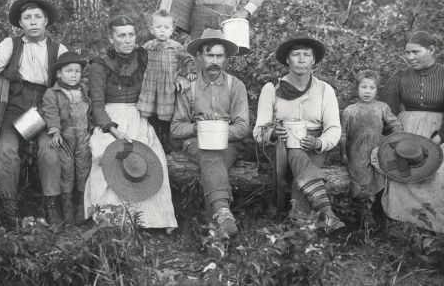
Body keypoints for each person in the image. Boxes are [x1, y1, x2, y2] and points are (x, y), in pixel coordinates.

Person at [0, 0, 68, 224]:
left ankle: (52, 207)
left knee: (50, 150)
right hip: (15, 105)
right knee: (6, 149)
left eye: (38, 17)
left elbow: (67, 81)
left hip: (46, 107)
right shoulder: (10, 44)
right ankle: (6, 208)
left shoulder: (59, 49)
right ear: (21, 23)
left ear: (46, 21)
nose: (33, 22)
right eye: (28, 18)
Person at [83, 15, 178, 232]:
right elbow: (97, 105)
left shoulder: (143, 57)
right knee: (106, 156)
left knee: (153, 158)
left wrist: (182, 76)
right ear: (111, 38)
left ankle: (154, 219)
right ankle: (113, 220)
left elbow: (169, 67)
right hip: (110, 119)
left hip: (138, 114)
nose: (128, 40)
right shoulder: (100, 64)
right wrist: (114, 131)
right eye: (121, 35)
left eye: (131, 34)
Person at [379, 31, 444, 234]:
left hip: (442, 134)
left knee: (442, 173)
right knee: (400, 170)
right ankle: (405, 225)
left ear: (431, 50)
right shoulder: (400, 77)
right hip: (407, 132)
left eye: (416, 52)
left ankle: (443, 229)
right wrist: (395, 135)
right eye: (407, 52)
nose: (410, 57)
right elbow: (387, 111)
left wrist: (437, 139)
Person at [253, 34, 345, 233]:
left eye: (306, 55)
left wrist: (319, 143)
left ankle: (298, 226)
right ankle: (327, 214)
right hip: (281, 149)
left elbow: (334, 128)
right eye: (296, 54)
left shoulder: (324, 90)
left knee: (299, 169)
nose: (301, 59)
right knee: (294, 151)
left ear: (314, 60)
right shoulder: (272, 89)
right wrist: (273, 133)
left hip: (314, 147)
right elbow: (259, 131)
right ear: (287, 59)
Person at [171, 28, 249, 238]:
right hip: (196, 142)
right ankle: (223, 216)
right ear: (199, 56)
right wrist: (199, 129)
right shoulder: (189, 86)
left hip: (229, 143)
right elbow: (176, 127)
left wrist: (217, 130)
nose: (215, 61)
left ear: (226, 58)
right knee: (209, 154)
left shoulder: (236, 85)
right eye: (210, 55)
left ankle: (214, 236)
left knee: (212, 159)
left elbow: (242, 127)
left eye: (219, 56)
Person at [339, 70, 403, 226]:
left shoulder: (381, 107)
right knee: (361, 179)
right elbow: (343, 135)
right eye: (364, 87)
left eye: (372, 88)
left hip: (378, 150)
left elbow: (395, 124)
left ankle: (380, 213)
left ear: (377, 90)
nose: (368, 91)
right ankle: (363, 214)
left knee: (381, 179)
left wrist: (395, 138)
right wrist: (343, 154)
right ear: (357, 88)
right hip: (358, 152)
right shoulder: (350, 111)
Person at [41, 51, 91, 226]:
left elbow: (92, 109)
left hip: (84, 135)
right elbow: (50, 112)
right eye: (69, 71)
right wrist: (55, 132)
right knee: (67, 171)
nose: (74, 75)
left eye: (77, 71)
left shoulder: (84, 90)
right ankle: (67, 211)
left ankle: (82, 209)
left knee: (84, 169)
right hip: (65, 138)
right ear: (59, 73)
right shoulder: (53, 93)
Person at [136, 9, 197, 151]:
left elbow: (188, 59)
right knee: (151, 115)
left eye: (166, 27)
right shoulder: (148, 46)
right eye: (158, 27)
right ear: (152, 29)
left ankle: (165, 142)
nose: (162, 31)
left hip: (167, 87)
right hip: (150, 87)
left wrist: (190, 72)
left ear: (172, 29)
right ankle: (151, 139)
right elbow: (139, 61)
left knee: (165, 116)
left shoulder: (175, 46)